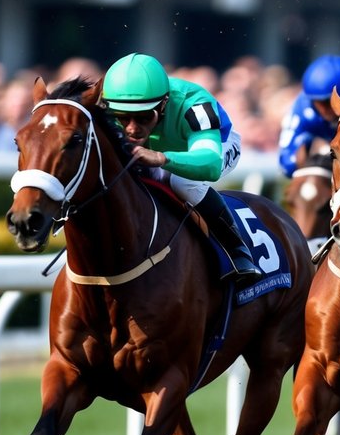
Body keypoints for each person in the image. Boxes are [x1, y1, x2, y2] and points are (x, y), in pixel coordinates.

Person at [99, 52, 259, 282]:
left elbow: (210, 165)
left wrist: (163, 159)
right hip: (159, 150)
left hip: (215, 146)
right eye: (122, 118)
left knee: (182, 181)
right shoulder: (105, 104)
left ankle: (236, 249)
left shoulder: (194, 104)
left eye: (143, 117)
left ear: (164, 104)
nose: (132, 128)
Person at [277, 54, 340, 178]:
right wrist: (306, 144)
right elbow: (285, 164)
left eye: (330, 101)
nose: (325, 110)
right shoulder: (303, 109)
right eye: (319, 103)